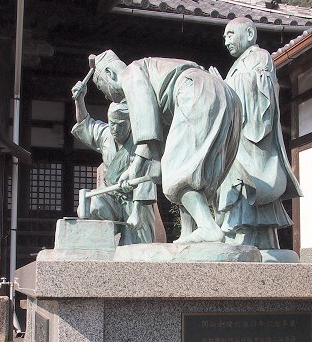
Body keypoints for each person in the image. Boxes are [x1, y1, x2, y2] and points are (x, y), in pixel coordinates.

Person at [90, 50, 241, 243]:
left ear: (109, 73)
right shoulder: (153, 74)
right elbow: (160, 134)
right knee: (189, 171)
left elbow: (147, 125)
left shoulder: (130, 73)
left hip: (194, 91)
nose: (106, 96)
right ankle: (187, 231)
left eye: (102, 88)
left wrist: (134, 168)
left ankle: (208, 228)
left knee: (180, 173)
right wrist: (154, 167)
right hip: (224, 93)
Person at [211, 17, 303, 249]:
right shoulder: (239, 64)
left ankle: (252, 239)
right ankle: (240, 235)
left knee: (250, 185)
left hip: (253, 137)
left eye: (231, 34)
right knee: (234, 185)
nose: (226, 41)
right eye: (224, 37)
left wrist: (222, 86)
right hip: (238, 138)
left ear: (250, 34)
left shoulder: (260, 56)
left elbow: (258, 92)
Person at [71, 77, 157, 244]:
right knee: (92, 207)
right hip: (110, 194)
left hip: (135, 200)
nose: (115, 129)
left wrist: (136, 211)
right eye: (112, 124)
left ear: (131, 124)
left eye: (121, 125)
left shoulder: (142, 144)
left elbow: (147, 179)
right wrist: (79, 100)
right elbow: (85, 124)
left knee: (137, 244)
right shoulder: (105, 135)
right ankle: (97, 249)